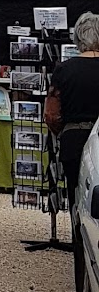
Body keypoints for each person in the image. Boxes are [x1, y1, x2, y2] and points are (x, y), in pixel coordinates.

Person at [45, 11, 99, 204]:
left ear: (77, 37)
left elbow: (51, 114)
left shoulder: (63, 69)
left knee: (76, 196)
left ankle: (78, 231)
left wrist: (62, 130)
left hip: (73, 138)